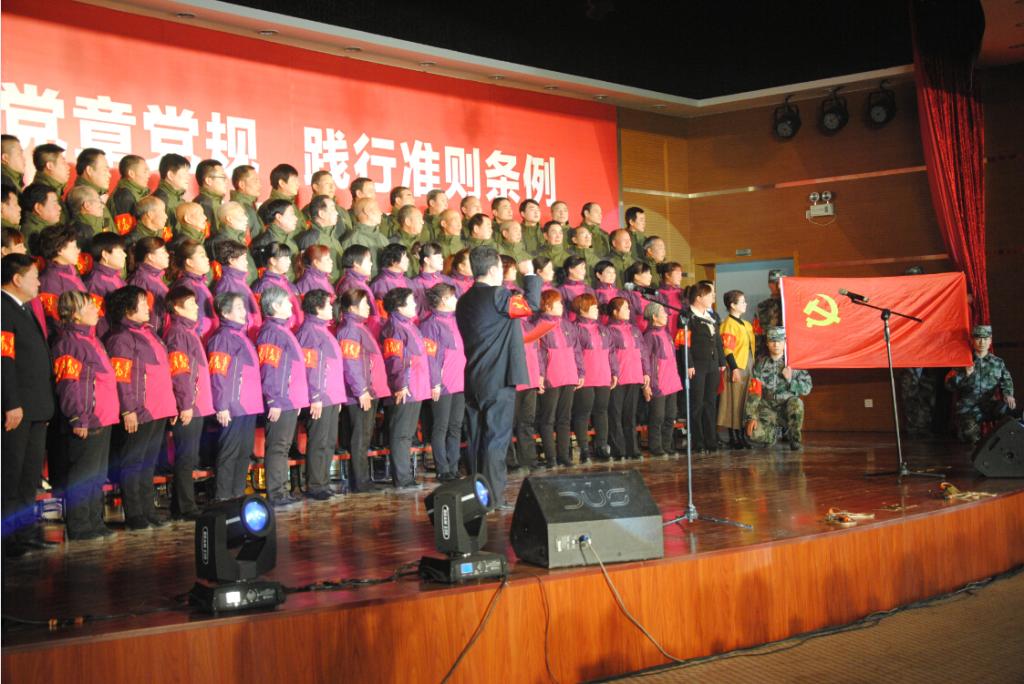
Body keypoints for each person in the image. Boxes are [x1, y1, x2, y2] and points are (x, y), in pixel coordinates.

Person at [455, 246, 540, 509]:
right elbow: (531, 305)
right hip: (498, 377)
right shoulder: (497, 295)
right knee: (496, 439)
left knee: (476, 438)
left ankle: (477, 495)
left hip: (474, 376)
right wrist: (530, 275)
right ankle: (492, 497)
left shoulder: (464, 299)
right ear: (494, 270)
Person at [104, 285, 177, 529]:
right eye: (142, 302)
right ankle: (134, 514)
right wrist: (128, 409)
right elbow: (121, 378)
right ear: (128, 309)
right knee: (133, 463)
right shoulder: (120, 338)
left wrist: (171, 405)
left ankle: (148, 510)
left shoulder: (149, 333)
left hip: (159, 408)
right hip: (140, 409)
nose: (148, 307)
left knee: (148, 463)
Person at [50, 291, 117, 539]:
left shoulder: (92, 339)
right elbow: (68, 383)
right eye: (89, 307)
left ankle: (94, 521)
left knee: (97, 474)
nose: (96, 310)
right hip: (87, 417)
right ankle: (79, 525)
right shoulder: (68, 343)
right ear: (75, 314)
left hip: (103, 416)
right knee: (83, 474)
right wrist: (77, 415)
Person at [2, 254, 55, 555]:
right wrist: (11, 402)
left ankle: (24, 533)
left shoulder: (24, 308)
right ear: (17, 278)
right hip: (16, 408)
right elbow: (4, 361)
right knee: (11, 475)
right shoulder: (3, 309)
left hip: (35, 407)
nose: (39, 283)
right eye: (34, 276)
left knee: (28, 476)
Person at [162, 286, 214, 519]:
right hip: (189, 404)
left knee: (189, 456)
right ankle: (185, 507)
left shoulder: (188, 331)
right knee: (186, 457)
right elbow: (179, 370)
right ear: (176, 307)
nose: (196, 307)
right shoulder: (177, 333)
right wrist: (185, 403)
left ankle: (180, 504)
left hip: (197, 403)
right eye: (190, 303)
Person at [256, 286, 310, 507]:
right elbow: (270, 368)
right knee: (278, 447)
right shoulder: (271, 332)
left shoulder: (282, 330)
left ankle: (281, 490)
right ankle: (276, 493)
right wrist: (273, 399)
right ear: (275, 306)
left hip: (289, 399)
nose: (291, 305)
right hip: (280, 399)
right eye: (286, 302)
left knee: (283, 446)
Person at [206, 292, 263, 500]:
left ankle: (238, 494)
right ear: (225, 312)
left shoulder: (241, 336)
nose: (244, 312)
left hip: (249, 404)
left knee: (243, 451)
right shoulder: (222, 338)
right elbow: (218, 374)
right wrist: (221, 405)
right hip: (233, 404)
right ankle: (223, 496)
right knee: (229, 451)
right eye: (238, 307)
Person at [295, 289, 347, 499]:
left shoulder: (323, 329)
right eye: (328, 304)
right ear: (317, 308)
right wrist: (315, 396)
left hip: (331, 395)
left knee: (328, 441)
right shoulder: (309, 332)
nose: (331, 308)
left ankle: (324, 483)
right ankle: (316, 485)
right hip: (320, 397)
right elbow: (311, 368)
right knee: (319, 441)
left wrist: (338, 396)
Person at [336, 288, 389, 493]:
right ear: (352, 308)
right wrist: (361, 390)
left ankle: (363, 480)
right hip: (360, 393)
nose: (369, 307)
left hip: (368, 390)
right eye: (365, 304)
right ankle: (360, 481)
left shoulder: (359, 327)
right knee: (360, 437)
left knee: (365, 436)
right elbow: (351, 363)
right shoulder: (350, 329)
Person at [380, 287, 431, 490]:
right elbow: (394, 360)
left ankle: (406, 477)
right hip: (405, 388)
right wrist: (400, 383)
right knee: (400, 434)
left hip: (415, 387)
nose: (415, 305)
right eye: (411, 302)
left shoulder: (408, 325)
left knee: (407, 434)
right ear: (399, 307)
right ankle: (402, 478)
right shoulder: (394, 328)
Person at [418, 283, 466, 481]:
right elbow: (430, 357)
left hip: (460, 381)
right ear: (445, 300)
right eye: (453, 297)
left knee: (455, 426)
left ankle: (454, 466)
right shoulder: (430, 324)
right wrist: (435, 382)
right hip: (443, 383)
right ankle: (442, 468)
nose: (456, 300)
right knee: (441, 426)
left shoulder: (457, 319)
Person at [535, 290, 583, 468]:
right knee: (548, 418)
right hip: (551, 376)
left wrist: (580, 372)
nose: (562, 306)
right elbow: (538, 353)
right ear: (547, 306)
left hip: (569, 374)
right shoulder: (539, 325)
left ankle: (564, 456)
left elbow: (577, 350)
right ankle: (551, 457)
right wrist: (540, 375)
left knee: (564, 418)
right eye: (558, 303)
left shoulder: (567, 325)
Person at [945, 325, 1017, 444]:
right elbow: (948, 385)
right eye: (978, 338)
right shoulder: (964, 362)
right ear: (972, 340)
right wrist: (964, 374)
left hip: (989, 405)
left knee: (1010, 413)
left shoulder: (997, 363)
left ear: (990, 340)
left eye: (985, 338)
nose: (982, 342)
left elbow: (1006, 380)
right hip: (968, 408)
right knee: (969, 435)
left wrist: (1008, 394)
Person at [744, 327, 813, 450]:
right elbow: (754, 392)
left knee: (797, 403)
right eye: (772, 341)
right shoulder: (761, 364)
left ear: (785, 341)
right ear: (767, 343)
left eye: (779, 341)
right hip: (767, 409)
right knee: (751, 434)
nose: (776, 344)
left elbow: (807, 388)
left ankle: (794, 438)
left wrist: (790, 380)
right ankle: (772, 435)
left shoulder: (793, 363)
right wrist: (751, 417)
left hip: (786, 408)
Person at [573, 293, 617, 462]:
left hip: (603, 374)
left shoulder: (603, 329)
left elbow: (611, 352)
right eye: (593, 307)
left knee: (602, 411)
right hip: (585, 376)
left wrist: (614, 372)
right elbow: (575, 353)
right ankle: (584, 448)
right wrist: (580, 372)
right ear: (582, 309)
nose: (597, 310)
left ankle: (602, 446)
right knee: (583, 412)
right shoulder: (576, 328)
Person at [685, 281, 727, 453]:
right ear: (699, 297)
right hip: (697, 365)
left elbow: (718, 341)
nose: (713, 298)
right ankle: (698, 441)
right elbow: (684, 343)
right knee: (697, 404)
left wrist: (722, 362)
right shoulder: (687, 317)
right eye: (710, 295)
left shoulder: (711, 316)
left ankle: (711, 440)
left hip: (712, 364)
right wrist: (689, 363)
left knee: (711, 402)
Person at [607, 297, 649, 460]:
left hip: (634, 375)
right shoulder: (609, 330)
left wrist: (646, 372)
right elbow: (610, 354)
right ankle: (619, 449)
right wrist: (613, 372)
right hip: (618, 378)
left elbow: (643, 352)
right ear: (615, 312)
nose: (628, 311)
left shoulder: (634, 329)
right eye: (625, 308)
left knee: (630, 416)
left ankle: (633, 448)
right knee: (615, 414)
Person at [642, 302, 683, 457]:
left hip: (672, 380)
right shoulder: (649, 336)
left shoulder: (666, 333)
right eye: (663, 312)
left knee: (670, 415)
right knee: (657, 416)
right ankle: (656, 446)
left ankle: (667, 444)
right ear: (654, 317)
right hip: (658, 382)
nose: (666, 315)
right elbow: (645, 360)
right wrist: (646, 385)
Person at [718, 290, 756, 449]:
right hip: (737, 366)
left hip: (748, 365)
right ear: (732, 305)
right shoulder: (728, 324)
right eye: (742, 302)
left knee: (745, 401)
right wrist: (734, 368)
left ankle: (742, 434)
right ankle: (734, 435)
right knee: (734, 401)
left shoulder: (746, 324)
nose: (745, 304)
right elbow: (727, 349)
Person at [37, 225, 87, 330]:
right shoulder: (49, 281)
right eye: (74, 247)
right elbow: (56, 320)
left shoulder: (70, 268)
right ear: (59, 250)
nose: (78, 250)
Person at [167, 239, 217, 339]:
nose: (207, 259)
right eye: (202, 256)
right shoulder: (185, 285)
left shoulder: (199, 282)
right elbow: (189, 321)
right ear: (189, 262)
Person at [211, 240, 262, 340]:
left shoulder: (239, 281)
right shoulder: (226, 285)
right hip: (241, 337)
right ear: (231, 260)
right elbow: (231, 318)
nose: (246, 262)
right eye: (243, 259)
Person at [84, 232, 127, 339]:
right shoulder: (94, 283)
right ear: (105, 254)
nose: (125, 255)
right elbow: (99, 322)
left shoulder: (116, 277)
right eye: (120, 251)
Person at [252, 242, 303, 331]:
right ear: (273, 261)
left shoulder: (286, 282)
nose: (289, 261)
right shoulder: (265, 286)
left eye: (289, 258)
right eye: (285, 258)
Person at [296, 195, 345, 282]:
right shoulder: (311, 239)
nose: (337, 213)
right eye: (333, 209)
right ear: (321, 214)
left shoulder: (333, 237)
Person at [126, 237, 170, 333]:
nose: (167, 255)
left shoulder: (155, 277)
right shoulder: (140, 280)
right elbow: (137, 314)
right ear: (150, 256)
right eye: (163, 252)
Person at [336, 245, 380, 334]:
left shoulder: (357, 281)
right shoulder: (352, 285)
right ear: (356, 263)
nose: (371, 264)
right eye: (368, 260)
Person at [251, 199, 301, 279]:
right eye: (292, 214)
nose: (296, 218)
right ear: (279, 217)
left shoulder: (288, 238)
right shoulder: (264, 243)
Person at [208, 201, 257, 281]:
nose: (246, 218)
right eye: (242, 215)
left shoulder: (239, 238)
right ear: (229, 219)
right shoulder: (221, 242)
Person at [70, 148, 114, 233]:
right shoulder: (81, 196)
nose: (109, 175)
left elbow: (105, 228)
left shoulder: (100, 196)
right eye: (105, 170)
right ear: (89, 170)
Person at [341, 197, 389, 270]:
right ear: (367, 211)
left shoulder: (383, 238)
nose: (381, 213)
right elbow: (350, 271)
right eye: (377, 209)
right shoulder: (352, 239)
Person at [31, 143, 71, 224]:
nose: (68, 167)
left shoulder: (55, 191)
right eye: (63, 162)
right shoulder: (41, 194)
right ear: (50, 166)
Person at [370, 243, 414, 318]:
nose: (408, 260)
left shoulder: (408, 281)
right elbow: (381, 317)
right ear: (393, 261)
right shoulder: (379, 284)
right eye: (405, 257)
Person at [18, 183, 62, 252]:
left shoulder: (45, 227)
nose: (59, 208)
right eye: (54, 203)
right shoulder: (32, 234)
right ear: (38, 208)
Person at [110, 155, 150, 227]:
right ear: (131, 174)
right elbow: (125, 229)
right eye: (145, 172)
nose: (148, 175)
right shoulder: (124, 195)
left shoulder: (140, 191)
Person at [411, 242, 451, 314]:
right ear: (427, 260)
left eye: (441, 257)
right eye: (438, 257)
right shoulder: (414, 284)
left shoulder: (448, 280)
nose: (442, 260)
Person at [153, 153, 191, 230]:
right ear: (170, 175)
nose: (188, 177)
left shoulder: (177, 197)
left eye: (188, 173)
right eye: (184, 173)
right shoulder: (161, 200)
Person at [753, 269, 784, 353]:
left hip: (789, 351)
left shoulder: (791, 304)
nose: (777, 286)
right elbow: (757, 331)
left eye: (779, 282)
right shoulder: (762, 307)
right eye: (774, 283)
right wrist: (758, 352)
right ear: (769, 285)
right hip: (767, 351)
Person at [390, 204, 426, 277]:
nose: (422, 222)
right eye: (419, 219)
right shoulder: (394, 243)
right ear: (408, 222)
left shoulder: (420, 243)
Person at [230, 165, 263, 239]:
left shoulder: (248, 205)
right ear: (242, 185)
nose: (260, 185)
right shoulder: (240, 208)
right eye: (255, 181)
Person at [558, 255, 593, 321]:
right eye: (581, 268)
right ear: (570, 269)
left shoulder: (589, 289)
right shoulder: (561, 290)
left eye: (584, 268)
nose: (584, 271)